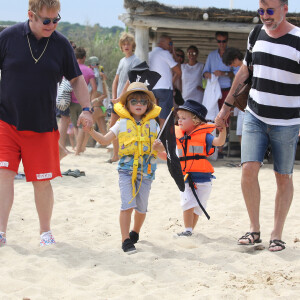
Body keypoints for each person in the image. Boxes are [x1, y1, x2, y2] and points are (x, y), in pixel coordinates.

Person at [0, 0, 93, 247]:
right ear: (31, 15)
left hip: (42, 125)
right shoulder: (8, 37)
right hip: (6, 121)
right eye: (46, 20)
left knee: (42, 181)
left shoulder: (61, 44)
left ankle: (45, 233)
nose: (52, 25)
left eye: (56, 20)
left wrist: (87, 109)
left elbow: (76, 79)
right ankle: (0, 232)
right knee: (4, 175)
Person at [215, 0, 300, 252]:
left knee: (283, 177)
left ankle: (277, 234)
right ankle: (254, 229)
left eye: (270, 11)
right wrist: (226, 107)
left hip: (287, 122)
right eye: (260, 11)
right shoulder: (256, 34)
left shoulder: (298, 39)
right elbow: (244, 72)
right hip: (254, 114)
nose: (265, 16)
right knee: (248, 171)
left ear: (285, 9)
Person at [89, 82, 164, 254]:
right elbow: (104, 140)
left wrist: (161, 149)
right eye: (134, 101)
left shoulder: (154, 126)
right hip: (126, 170)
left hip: (147, 172)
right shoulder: (121, 124)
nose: (139, 104)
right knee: (127, 204)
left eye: (143, 102)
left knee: (142, 208)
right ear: (127, 104)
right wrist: (91, 130)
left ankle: (135, 231)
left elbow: (165, 154)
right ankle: (125, 240)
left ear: (149, 105)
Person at [158, 100, 226, 236]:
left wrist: (223, 131)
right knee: (187, 203)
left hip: (204, 178)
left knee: (197, 208)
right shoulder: (176, 137)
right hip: (185, 177)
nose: (180, 121)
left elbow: (219, 142)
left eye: (184, 118)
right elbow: (168, 157)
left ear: (195, 120)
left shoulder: (204, 135)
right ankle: (187, 230)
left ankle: (190, 231)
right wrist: (156, 150)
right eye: (179, 118)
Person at [109, 32, 141, 163]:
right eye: (124, 44)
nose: (126, 46)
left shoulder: (136, 60)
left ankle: (128, 155)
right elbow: (116, 80)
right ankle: (115, 154)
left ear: (132, 45)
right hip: (117, 99)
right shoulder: (122, 60)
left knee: (127, 128)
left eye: (128, 44)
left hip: (128, 99)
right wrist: (114, 96)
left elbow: (130, 80)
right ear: (121, 46)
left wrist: (121, 97)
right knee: (112, 126)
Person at [69, 47, 97, 156]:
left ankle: (78, 147)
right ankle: (78, 149)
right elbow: (94, 87)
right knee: (82, 126)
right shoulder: (89, 70)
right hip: (83, 102)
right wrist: (90, 99)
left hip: (71, 101)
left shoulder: (71, 68)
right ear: (84, 57)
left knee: (75, 125)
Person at [149, 35, 182, 126]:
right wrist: (174, 54)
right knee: (164, 116)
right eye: (170, 43)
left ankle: (154, 137)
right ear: (161, 43)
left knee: (152, 115)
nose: (171, 46)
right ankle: (163, 139)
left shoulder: (149, 54)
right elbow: (178, 71)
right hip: (164, 88)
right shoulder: (165, 53)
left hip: (151, 88)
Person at [203, 31, 237, 110]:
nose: (221, 44)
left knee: (225, 117)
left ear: (227, 40)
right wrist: (208, 75)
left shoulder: (232, 54)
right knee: (211, 115)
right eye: (219, 41)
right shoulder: (212, 55)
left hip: (226, 90)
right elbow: (204, 73)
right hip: (213, 91)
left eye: (224, 41)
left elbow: (237, 73)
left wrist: (223, 73)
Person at [222, 47, 244, 143]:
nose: (232, 65)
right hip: (241, 105)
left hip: (249, 105)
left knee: (245, 133)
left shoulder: (247, 68)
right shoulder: (240, 69)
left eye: (231, 63)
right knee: (240, 133)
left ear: (235, 58)